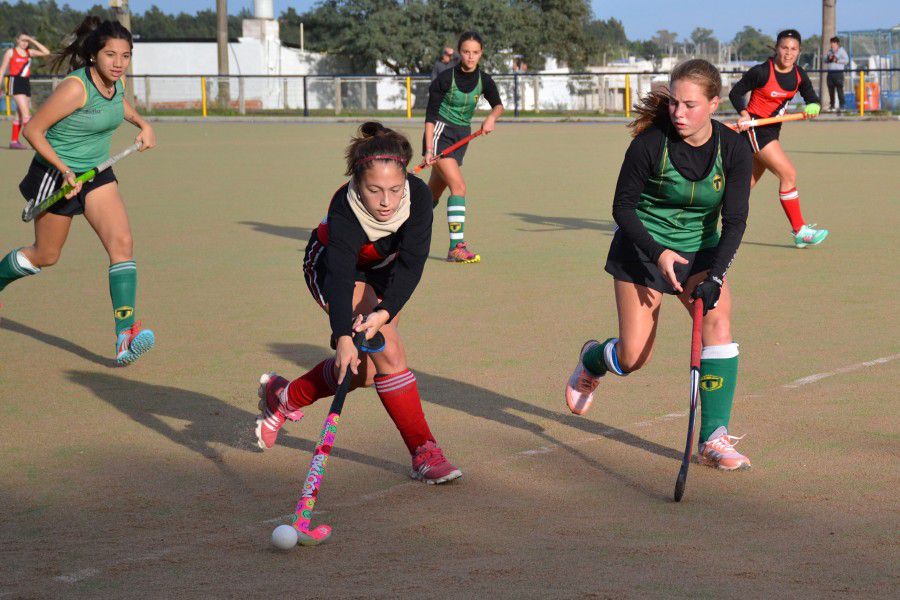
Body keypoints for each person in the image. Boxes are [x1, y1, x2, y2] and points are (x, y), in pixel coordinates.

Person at [565, 59, 753, 471]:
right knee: (633, 358)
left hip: (700, 253)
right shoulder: (650, 144)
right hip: (642, 247)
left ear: (714, 104)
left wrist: (715, 275)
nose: (679, 113)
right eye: (674, 103)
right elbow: (622, 208)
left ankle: (713, 438)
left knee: (718, 321)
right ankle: (595, 359)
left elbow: (735, 221)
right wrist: (658, 253)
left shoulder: (735, 149)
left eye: (690, 105)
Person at [255, 122, 462, 485]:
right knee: (390, 354)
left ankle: (285, 397)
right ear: (356, 182)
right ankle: (424, 451)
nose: (386, 202)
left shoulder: (417, 200)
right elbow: (340, 277)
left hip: (385, 274)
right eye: (375, 190)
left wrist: (382, 313)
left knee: (365, 371)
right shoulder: (345, 211)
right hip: (334, 271)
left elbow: (411, 266)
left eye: (394, 190)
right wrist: (343, 337)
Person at [0, 17, 157, 365]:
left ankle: (125, 336)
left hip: (96, 173)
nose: (118, 63)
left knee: (123, 244)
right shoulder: (75, 87)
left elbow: (118, 105)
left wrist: (143, 123)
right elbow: (33, 131)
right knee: (46, 255)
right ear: (94, 55)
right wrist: (65, 171)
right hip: (56, 175)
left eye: (126, 56)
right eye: (111, 55)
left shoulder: (117, 82)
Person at [729, 29, 827, 248]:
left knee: (743, 187)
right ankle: (800, 230)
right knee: (788, 173)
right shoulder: (762, 72)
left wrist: (814, 106)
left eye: (793, 49)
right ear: (776, 48)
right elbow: (735, 93)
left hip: (772, 131)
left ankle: (700, 216)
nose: (788, 53)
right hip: (755, 129)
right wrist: (744, 114)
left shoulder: (799, 75)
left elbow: (812, 97)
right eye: (784, 48)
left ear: (799, 51)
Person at [424, 31, 504, 263]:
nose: (470, 57)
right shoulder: (445, 78)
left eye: (475, 52)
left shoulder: (484, 80)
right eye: (466, 52)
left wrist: (491, 118)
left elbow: (498, 105)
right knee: (458, 187)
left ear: (481, 53)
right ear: (460, 52)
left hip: (462, 137)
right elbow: (429, 117)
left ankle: (400, 231)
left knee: (432, 193)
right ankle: (456, 247)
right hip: (440, 135)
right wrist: (429, 150)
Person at [0, 33, 50, 149]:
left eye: (26, 41)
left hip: (25, 83)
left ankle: (14, 142)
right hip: (15, 82)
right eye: (22, 40)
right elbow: (2, 70)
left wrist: (32, 40)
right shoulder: (11, 52)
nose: (24, 43)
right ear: (17, 40)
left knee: (20, 115)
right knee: (26, 114)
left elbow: (46, 52)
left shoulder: (29, 52)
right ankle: (36, 141)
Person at [825, 36, 849, 112]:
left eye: (833, 43)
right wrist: (828, 59)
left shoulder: (842, 51)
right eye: (831, 43)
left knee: (839, 90)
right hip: (830, 73)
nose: (832, 44)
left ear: (837, 43)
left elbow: (846, 60)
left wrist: (837, 60)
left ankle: (842, 106)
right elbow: (825, 60)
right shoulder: (830, 51)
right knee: (830, 90)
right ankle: (832, 106)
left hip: (838, 73)